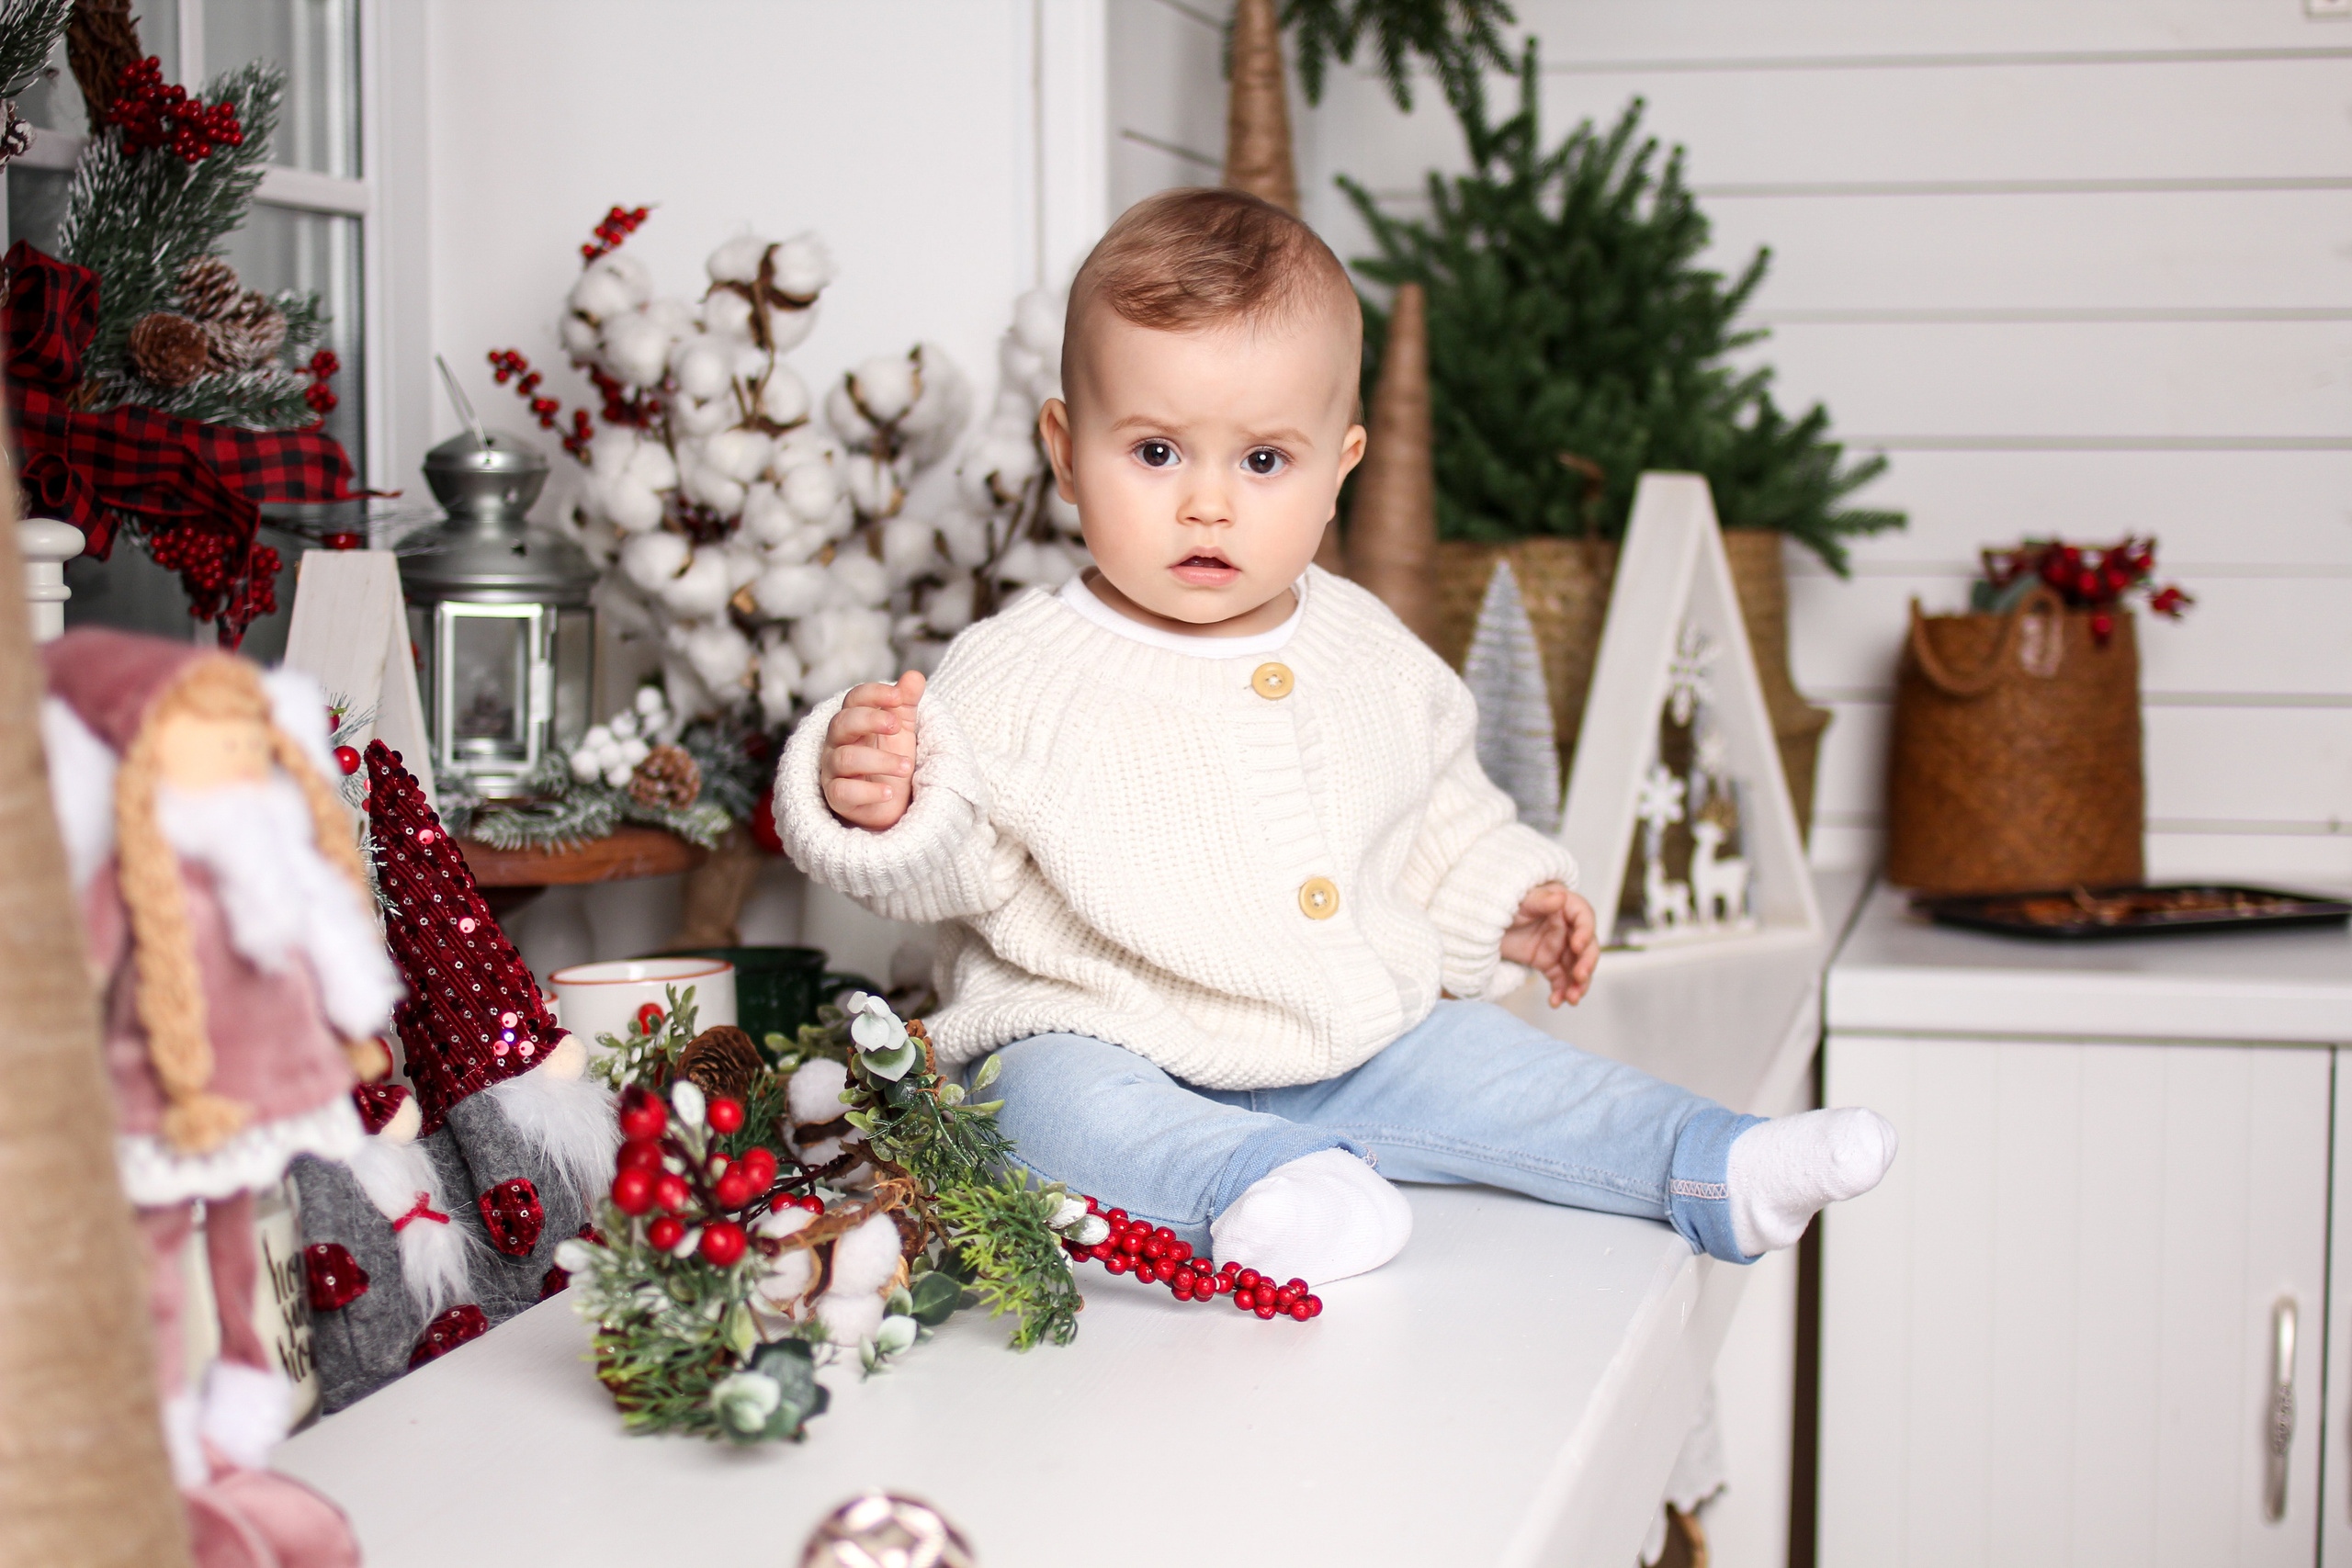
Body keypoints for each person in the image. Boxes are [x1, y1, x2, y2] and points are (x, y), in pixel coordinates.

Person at [777, 187, 1894, 1287]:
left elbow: (1436, 817)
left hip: (1347, 1036)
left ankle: (1711, 1160)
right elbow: (946, 856)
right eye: (1157, 453)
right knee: (1032, 1103)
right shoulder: (1015, 669)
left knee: (1494, 1063)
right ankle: (1263, 1188)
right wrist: (875, 802)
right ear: (1067, 453)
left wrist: (1507, 901)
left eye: (1262, 461)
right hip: (1104, 1038)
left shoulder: (1370, 652)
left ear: (1338, 467)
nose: (1207, 504)